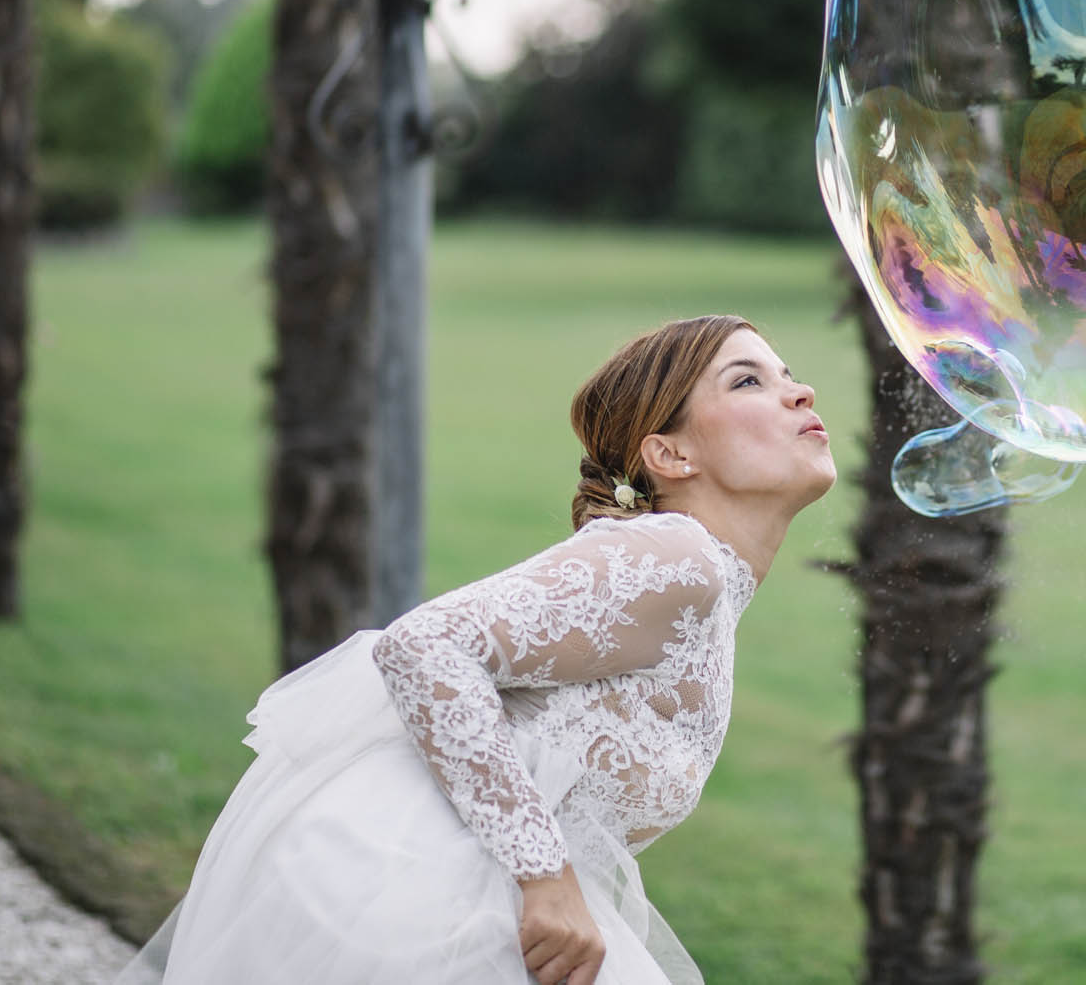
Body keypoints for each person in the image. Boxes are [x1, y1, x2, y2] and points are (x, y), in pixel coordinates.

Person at [120, 314, 835, 985]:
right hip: (412, 886)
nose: (799, 391)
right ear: (670, 454)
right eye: (748, 380)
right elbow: (423, 645)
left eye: (788, 374)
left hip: (453, 876)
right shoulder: (679, 559)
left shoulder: (702, 579)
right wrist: (544, 874)